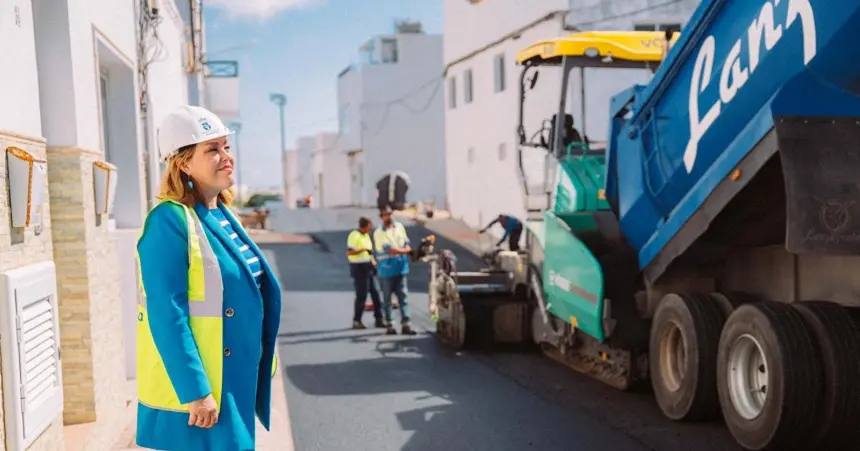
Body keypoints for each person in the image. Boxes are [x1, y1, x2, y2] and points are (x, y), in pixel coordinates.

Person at [135, 105, 282, 451]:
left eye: (226, 147)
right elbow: (167, 312)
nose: (226, 157)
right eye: (212, 149)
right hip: (205, 391)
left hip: (236, 380)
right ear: (183, 163)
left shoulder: (224, 216)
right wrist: (196, 392)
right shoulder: (167, 221)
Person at [373, 206, 417, 335]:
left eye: (390, 214)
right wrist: (406, 251)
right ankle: (390, 324)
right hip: (386, 271)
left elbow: (406, 242)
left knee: (403, 297)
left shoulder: (399, 227)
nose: (389, 216)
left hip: (401, 269)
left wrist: (408, 249)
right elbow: (390, 249)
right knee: (387, 298)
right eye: (386, 214)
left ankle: (406, 324)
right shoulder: (379, 233)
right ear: (381, 217)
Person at [347, 217, 385, 329]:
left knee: (376, 294)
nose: (371, 228)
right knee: (362, 295)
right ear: (364, 226)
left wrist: (373, 261)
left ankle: (379, 319)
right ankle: (356, 320)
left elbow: (369, 252)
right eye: (369, 226)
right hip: (358, 268)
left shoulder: (366, 236)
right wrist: (362, 249)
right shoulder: (354, 235)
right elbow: (350, 252)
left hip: (368, 267)